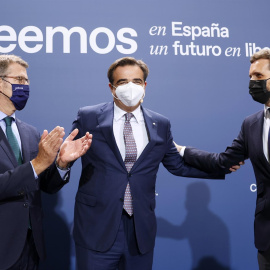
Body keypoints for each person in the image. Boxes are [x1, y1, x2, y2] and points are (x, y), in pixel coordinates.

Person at [58, 56, 235, 270]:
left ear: (145, 85)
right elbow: (68, 154)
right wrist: (63, 163)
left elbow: (177, 165)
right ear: (111, 88)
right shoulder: (88, 116)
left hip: (139, 230)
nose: (130, 87)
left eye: (136, 81)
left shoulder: (160, 123)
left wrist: (219, 168)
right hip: (96, 227)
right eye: (122, 82)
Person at [174, 48, 270, 270]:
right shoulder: (251, 124)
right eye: (250, 77)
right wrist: (181, 150)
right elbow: (223, 162)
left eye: (258, 76)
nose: (252, 82)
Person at [0, 54, 92, 270]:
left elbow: (46, 186)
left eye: (27, 81)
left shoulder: (30, 132)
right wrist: (38, 163)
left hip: (30, 248)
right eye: (19, 80)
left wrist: (61, 164)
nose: (25, 86)